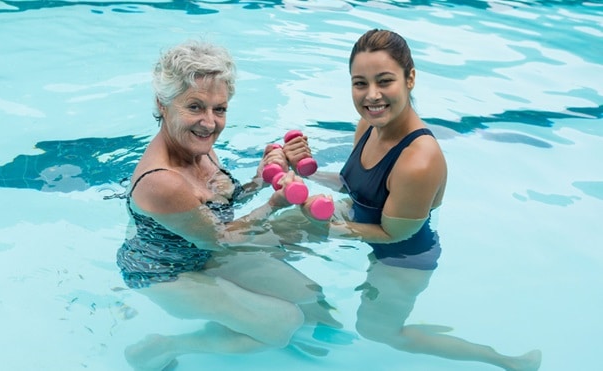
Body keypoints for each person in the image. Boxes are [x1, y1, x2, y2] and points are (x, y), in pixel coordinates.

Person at [281, 29, 542, 371]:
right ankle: (309, 309)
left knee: (376, 331)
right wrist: (305, 172)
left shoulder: (418, 161)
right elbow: (352, 183)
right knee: (274, 235)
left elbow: (396, 234)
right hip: (365, 220)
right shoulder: (369, 125)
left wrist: (330, 228)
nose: (371, 96)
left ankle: (501, 360)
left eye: (384, 81)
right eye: (360, 83)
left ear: (410, 79)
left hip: (404, 257)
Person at [116, 39, 340, 371]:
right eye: (194, 107)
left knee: (312, 296)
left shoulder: (197, 145)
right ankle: (165, 346)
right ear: (163, 104)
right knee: (284, 324)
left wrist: (260, 179)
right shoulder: (162, 181)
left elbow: (224, 201)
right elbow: (219, 238)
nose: (209, 122)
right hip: (167, 273)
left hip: (205, 252)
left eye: (219, 109)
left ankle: (233, 320)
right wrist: (275, 203)